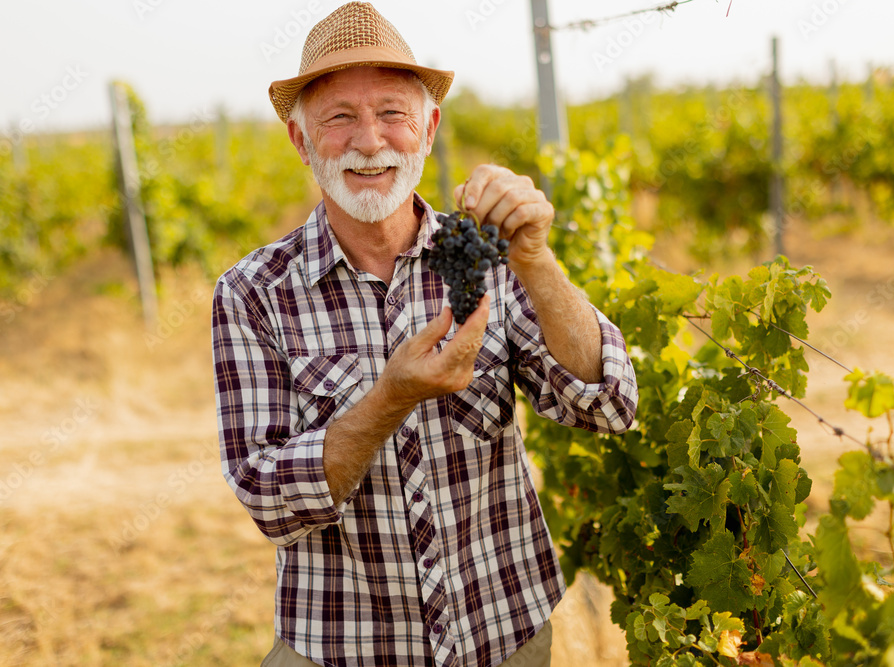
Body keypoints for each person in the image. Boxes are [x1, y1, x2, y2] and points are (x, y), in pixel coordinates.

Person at [212, 3, 638, 666]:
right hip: (342, 646)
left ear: (428, 128)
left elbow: (608, 402)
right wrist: (390, 397)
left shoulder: (488, 255)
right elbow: (267, 494)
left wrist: (534, 256)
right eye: (340, 118)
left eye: (391, 113)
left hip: (506, 634)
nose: (371, 141)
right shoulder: (254, 292)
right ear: (301, 142)